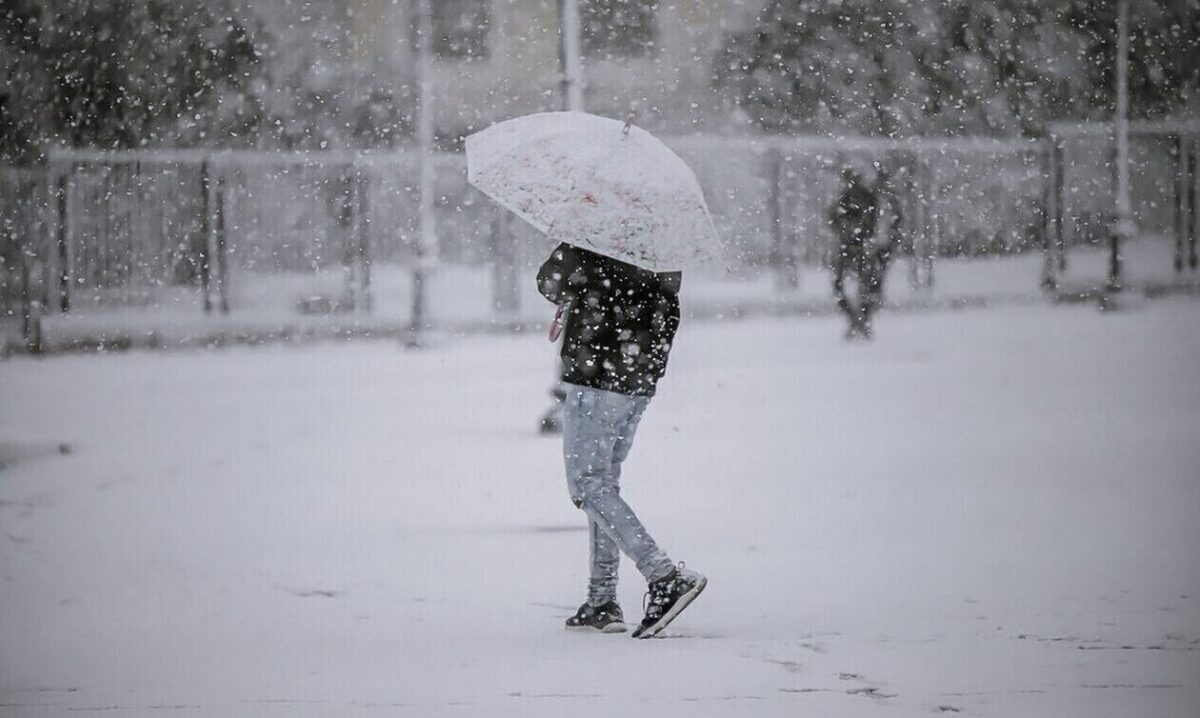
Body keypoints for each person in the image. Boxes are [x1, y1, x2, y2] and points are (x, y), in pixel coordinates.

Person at [536, 242, 706, 639]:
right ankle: (601, 600)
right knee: (604, 484)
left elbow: (549, 281)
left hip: (596, 375)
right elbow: (664, 301)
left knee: (587, 485)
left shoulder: (592, 237)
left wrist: (573, 269)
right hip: (637, 377)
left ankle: (664, 576)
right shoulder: (661, 243)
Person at [828, 167, 887, 339]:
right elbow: (839, 221)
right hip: (856, 246)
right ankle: (859, 321)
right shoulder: (856, 198)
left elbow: (844, 221)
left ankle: (859, 321)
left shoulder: (861, 198)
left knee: (861, 286)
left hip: (857, 247)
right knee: (862, 286)